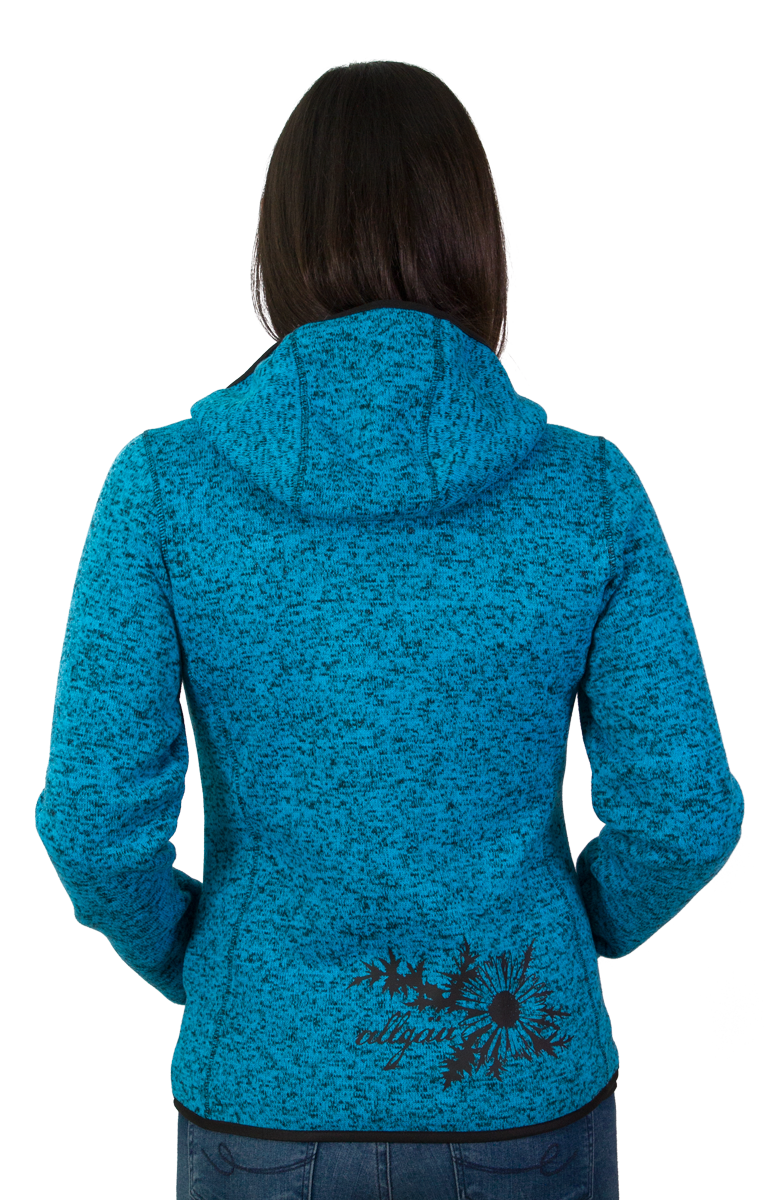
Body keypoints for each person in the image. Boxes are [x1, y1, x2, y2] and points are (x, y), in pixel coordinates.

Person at [36, 60, 744, 1200]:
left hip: (261, 1091)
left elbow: (93, 823)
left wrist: (216, 965)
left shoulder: (164, 490)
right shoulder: (586, 493)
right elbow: (685, 814)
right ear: (475, 240)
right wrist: (568, 930)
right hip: (522, 1087)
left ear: (280, 244)